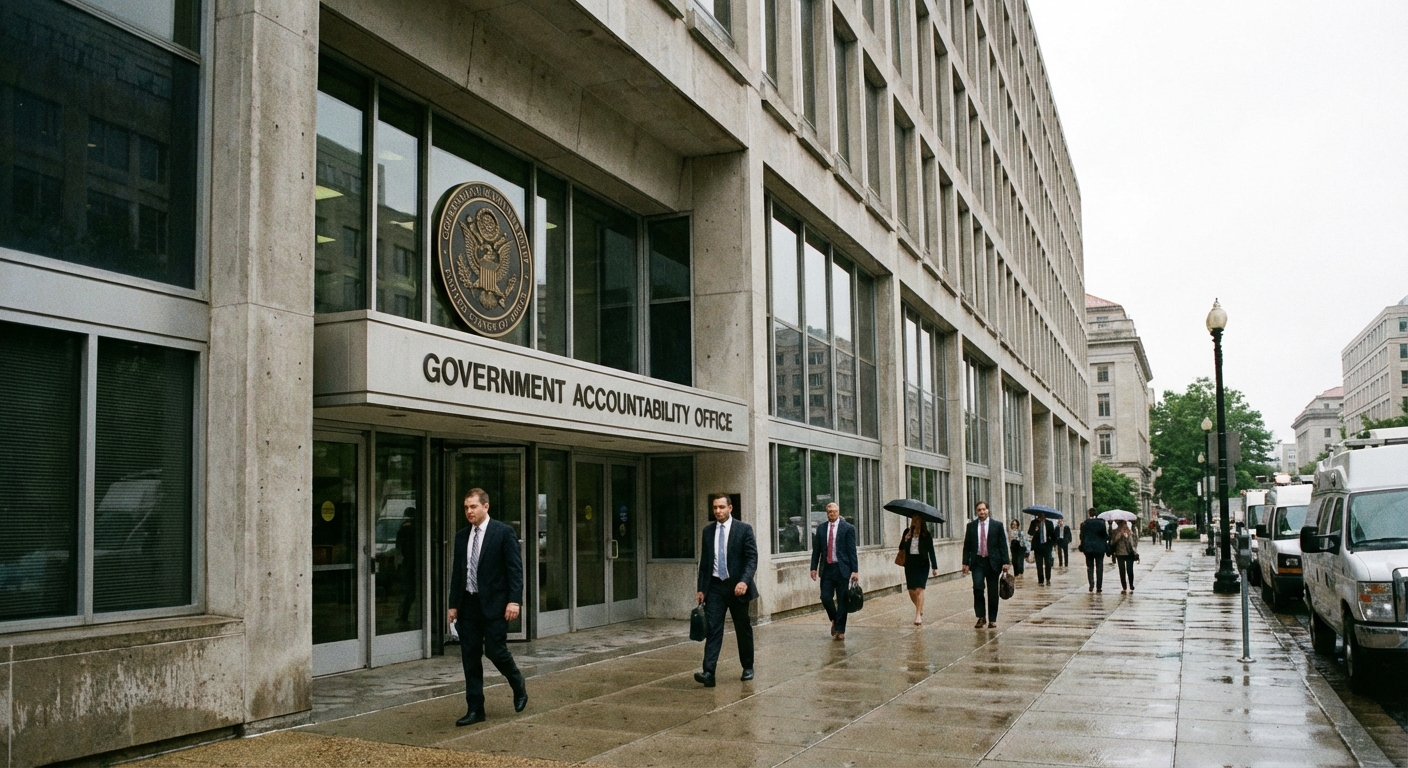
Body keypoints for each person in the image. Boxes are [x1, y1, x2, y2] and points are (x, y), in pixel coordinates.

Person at [448, 489, 527, 727]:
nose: (469, 511)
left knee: (495, 650)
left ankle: (517, 683)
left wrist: (515, 600)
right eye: (466, 507)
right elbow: (458, 573)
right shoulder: (462, 537)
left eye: (473, 506)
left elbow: (515, 569)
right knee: (470, 658)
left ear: (486, 506)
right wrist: (453, 605)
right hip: (468, 604)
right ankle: (475, 709)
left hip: (495, 604)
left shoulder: (503, 533)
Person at [695, 493, 758, 687]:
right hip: (715, 587)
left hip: (737, 587)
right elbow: (705, 563)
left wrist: (744, 581)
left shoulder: (744, 529)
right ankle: (709, 672)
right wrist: (701, 589)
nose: (718, 511)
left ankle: (747, 666)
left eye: (721, 507)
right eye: (715, 507)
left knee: (742, 628)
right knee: (713, 629)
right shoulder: (707, 531)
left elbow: (751, 558)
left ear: (730, 508)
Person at [810, 502, 859, 640]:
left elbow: (852, 551)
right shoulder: (821, 529)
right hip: (827, 569)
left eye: (835, 511)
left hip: (842, 568)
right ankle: (834, 619)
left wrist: (855, 571)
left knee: (843, 600)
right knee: (825, 597)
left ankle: (840, 630)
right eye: (830, 511)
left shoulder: (848, 528)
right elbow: (817, 551)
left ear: (838, 512)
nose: (832, 513)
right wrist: (813, 568)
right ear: (827, 513)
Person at [962, 501, 1010, 629]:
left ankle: (992, 619)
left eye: (983, 509)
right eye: (979, 510)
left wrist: (1006, 561)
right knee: (977, 588)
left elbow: (1003, 545)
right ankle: (981, 616)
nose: (981, 512)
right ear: (976, 512)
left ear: (988, 510)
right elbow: (967, 546)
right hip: (978, 562)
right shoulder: (971, 527)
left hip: (993, 562)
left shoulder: (997, 525)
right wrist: (965, 563)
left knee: (993, 592)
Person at [898, 515, 938, 625]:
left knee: (919, 589)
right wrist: (905, 539)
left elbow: (931, 551)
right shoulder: (907, 532)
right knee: (911, 590)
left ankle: (917, 616)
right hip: (910, 564)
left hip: (922, 565)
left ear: (921, 522)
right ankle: (919, 607)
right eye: (913, 519)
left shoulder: (926, 535)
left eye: (917, 520)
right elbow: (901, 548)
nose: (914, 522)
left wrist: (935, 567)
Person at [1078, 508, 1109, 594]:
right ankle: (1099, 586)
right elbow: (1105, 536)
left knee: (1090, 567)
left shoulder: (1085, 524)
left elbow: (1082, 537)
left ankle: (1091, 584)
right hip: (1099, 548)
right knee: (1099, 567)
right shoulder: (1101, 523)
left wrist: (1083, 546)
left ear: (1089, 514)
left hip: (1089, 548)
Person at [1028, 512, 1056, 585]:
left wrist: (1053, 544)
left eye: (1042, 516)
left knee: (1048, 563)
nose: (1041, 517)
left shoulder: (1049, 523)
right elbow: (1030, 532)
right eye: (1040, 516)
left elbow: (1053, 535)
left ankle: (1048, 578)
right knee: (1039, 564)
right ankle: (1041, 580)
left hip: (1047, 546)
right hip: (1038, 547)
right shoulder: (1034, 523)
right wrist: (1035, 530)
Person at [1111, 519, 1139, 593]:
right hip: (1120, 553)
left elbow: (1135, 542)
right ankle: (1124, 587)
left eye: (1124, 523)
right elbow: (1113, 541)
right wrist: (1120, 534)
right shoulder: (1115, 531)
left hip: (1129, 553)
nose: (1124, 525)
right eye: (1122, 523)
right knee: (1122, 570)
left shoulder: (1130, 531)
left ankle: (1131, 585)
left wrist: (1135, 551)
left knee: (1130, 570)